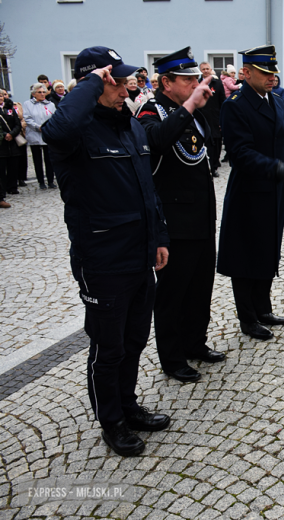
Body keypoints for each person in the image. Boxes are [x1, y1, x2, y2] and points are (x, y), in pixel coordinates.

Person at [42, 46, 171, 457]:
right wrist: (89, 83)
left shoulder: (129, 126)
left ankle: (129, 405)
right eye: (116, 80)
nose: (127, 86)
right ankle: (111, 419)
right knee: (108, 347)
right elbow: (56, 131)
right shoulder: (75, 134)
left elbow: (149, 191)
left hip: (138, 255)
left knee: (134, 340)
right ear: (94, 82)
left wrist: (160, 238)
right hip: (102, 259)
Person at [136, 48, 224, 383]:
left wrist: (193, 107)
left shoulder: (193, 112)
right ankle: (172, 358)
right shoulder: (149, 111)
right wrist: (189, 106)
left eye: (194, 79)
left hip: (200, 217)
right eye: (186, 80)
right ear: (166, 82)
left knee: (200, 288)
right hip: (173, 222)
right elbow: (155, 141)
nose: (193, 85)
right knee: (172, 295)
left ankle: (195, 343)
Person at [218, 45, 284, 341]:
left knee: (268, 249)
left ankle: (263, 307)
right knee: (246, 255)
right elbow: (240, 154)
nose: (271, 78)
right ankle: (248, 317)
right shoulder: (236, 105)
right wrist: (277, 169)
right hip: (250, 193)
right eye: (265, 73)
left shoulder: (277, 100)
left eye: (273, 73)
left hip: (276, 191)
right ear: (247, 73)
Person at [23, 83, 56, 190]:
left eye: (43, 92)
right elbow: (27, 119)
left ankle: (50, 180)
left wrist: (47, 127)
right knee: (37, 160)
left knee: (49, 159)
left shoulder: (50, 104)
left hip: (47, 134)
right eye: (39, 92)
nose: (42, 94)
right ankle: (41, 181)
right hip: (35, 134)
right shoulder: (28, 104)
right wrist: (38, 127)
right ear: (34, 94)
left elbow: (54, 117)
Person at [198, 61, 227, 178]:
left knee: (216, 144)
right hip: (202, 118)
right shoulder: (197, 84)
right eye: (203, 69)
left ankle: (214, 166)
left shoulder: (218, 84)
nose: (205, 71)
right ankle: (205, 167)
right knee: (204, 143)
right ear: (200, 70)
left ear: (211, 70)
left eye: (207, 69)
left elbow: (223, 102)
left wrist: (222, 118)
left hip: (215, 118)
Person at [0, 96, 23, 204]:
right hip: (2, 143)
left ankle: (12, 187)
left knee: (13, 165)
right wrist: (4, 135)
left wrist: (12, 134)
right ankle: (2, 190)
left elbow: (17, 124)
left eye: (1, 96)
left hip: (13, 141)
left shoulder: (9, 108)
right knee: (2, 169)